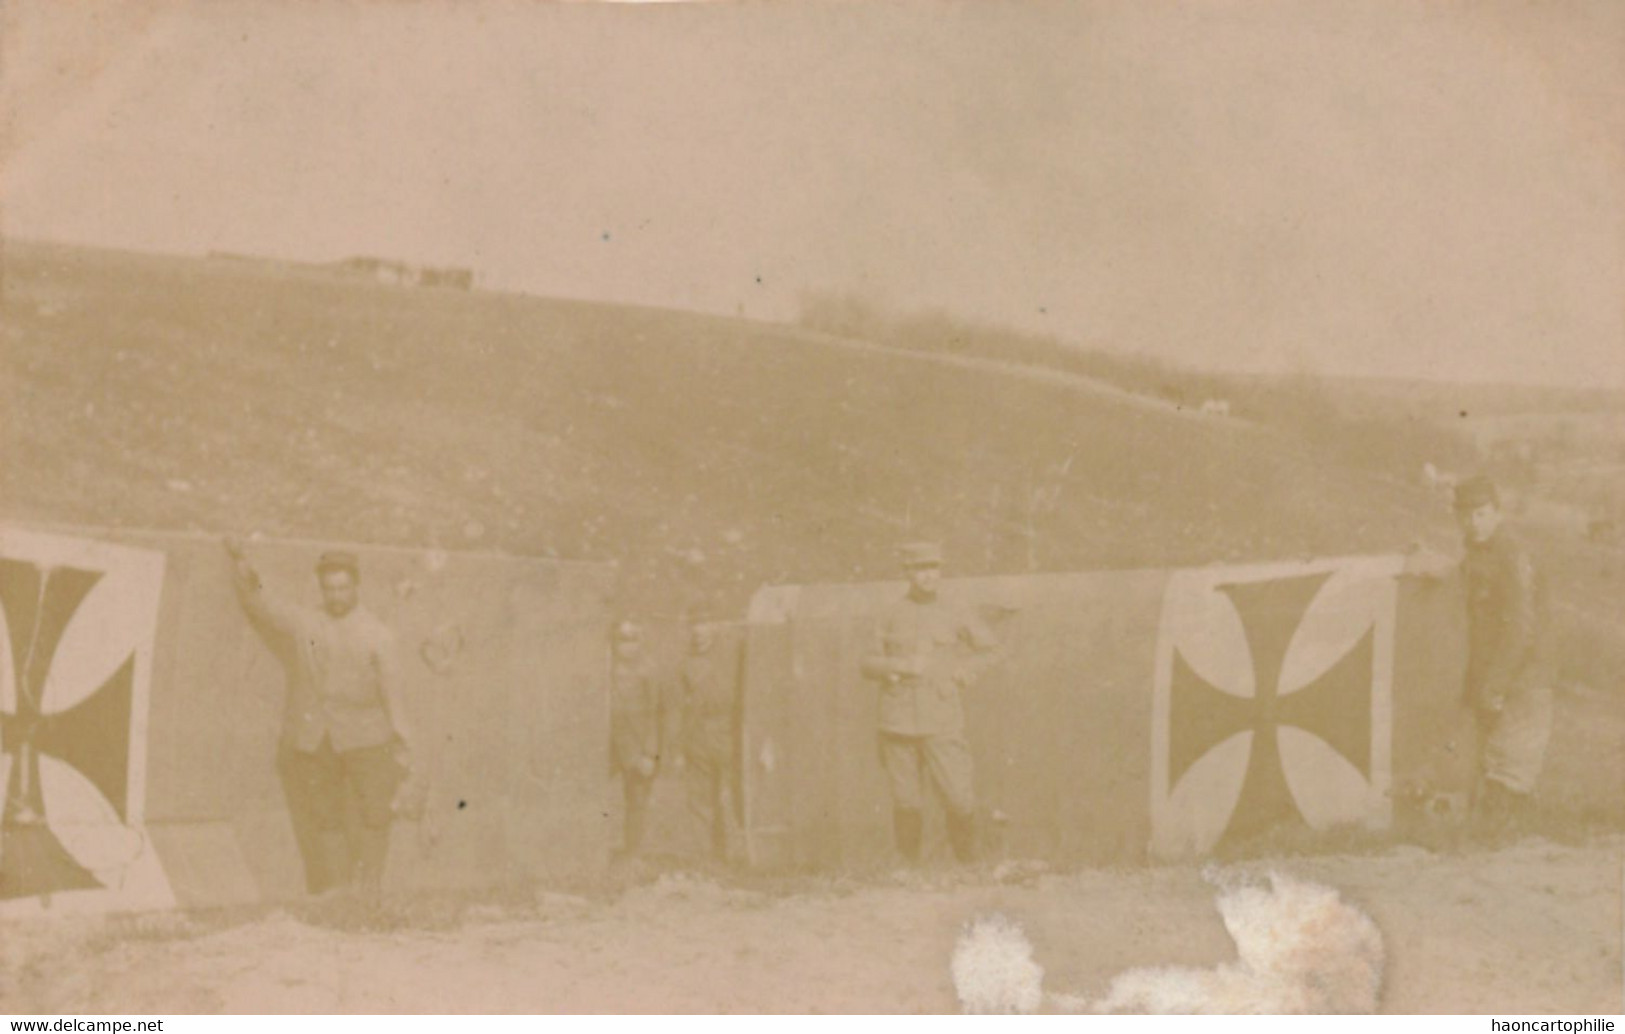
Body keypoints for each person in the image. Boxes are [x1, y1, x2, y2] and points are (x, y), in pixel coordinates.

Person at [224, 538, 414, 896]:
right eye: (330, 589)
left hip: (369, 738)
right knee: (326, 816)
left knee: (376, 814)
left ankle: (370, 888)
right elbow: (266, 604)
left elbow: (394, 698)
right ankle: (337, 889)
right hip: (317, 737)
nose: (337, 596)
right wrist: (244, 567)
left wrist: (403, 746)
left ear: (356, 587)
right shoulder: (307, 622)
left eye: (343, 587)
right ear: (322, 589)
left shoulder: (378, 636)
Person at [1409, 475, 1553, 838]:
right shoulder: (1478, 551)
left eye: (1482, 514)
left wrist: (1496, 683)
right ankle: (1510, 835)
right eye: (1467, 515)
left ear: (1497, 513)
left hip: (1522, 676)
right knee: (1490, 765)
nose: (1474, 523)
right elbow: (1468, 584)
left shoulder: (1512, 554)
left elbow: (1521, 627)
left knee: (1509, 771)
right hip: (1494, 674)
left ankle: (1513, 843)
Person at [860, 542, 1002, 865]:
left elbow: (991, 649)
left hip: (941, 717)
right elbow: (867, 662)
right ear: (907, 572)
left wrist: (965, 671)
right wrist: (898, 666)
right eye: (921, 569)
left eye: (934, 568)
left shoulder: (956, 610)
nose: (929, 576)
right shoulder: (889, 613)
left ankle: (969, 866)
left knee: (958, 797)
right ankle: (909, 871)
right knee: (906, 800)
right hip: (897, 721)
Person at [673, 613, 742, 863]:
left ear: (716, 626)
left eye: (704, 625)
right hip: (698, 735)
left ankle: (739, 852)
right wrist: (679, 748)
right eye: (694, 627)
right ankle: (707, 857)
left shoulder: (733, 655)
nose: (698, 633)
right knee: (701, 798)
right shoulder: (685, 664)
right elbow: (678, 708)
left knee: (736, 793)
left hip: (729, 732)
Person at [608, 619, 661, 857]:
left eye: (632, 639)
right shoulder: (605, 669)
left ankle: (633, 852)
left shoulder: (649, 671)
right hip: (610, 745)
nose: (627, 646)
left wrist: (649, 753)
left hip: (638, 746)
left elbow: (655, 713)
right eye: (622, 639)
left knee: (637, 801)